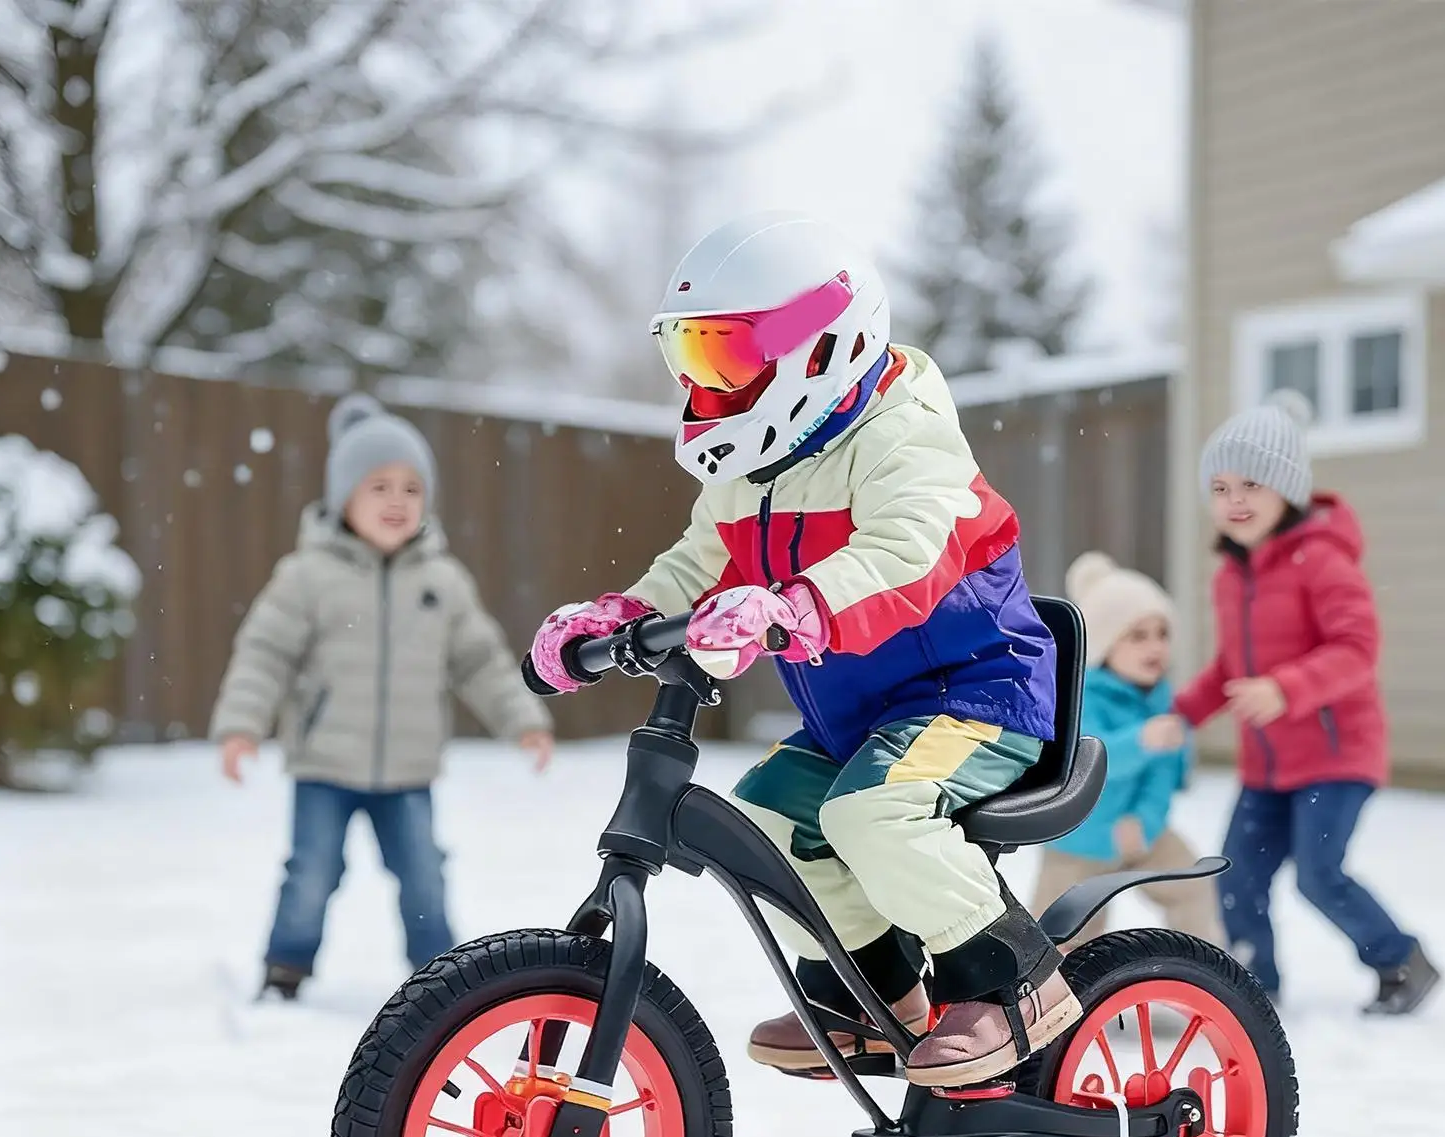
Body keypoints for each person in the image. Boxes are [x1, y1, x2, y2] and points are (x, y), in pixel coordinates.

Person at [531, 211, 1078, 1087]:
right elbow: (698, 563)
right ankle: (875, 994)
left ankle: (1013, 980)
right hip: (858, 720)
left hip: (975, 700)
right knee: (767, 825)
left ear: (820, 347)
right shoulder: (754, 464)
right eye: (688, 356)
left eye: (725, 356)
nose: (703, 384)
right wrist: (620, 615)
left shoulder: (906, 437)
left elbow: (905, 554)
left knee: (871, 813)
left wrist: (796, 605)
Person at [211, 394, 554, 1000]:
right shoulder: (307, 575)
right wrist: (241, 725)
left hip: (408, 770)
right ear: (343, 496)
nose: (397, 501)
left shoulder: (442, 581)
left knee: (424, 875)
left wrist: (522, 720)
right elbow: (265, 653)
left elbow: (481, 661)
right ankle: (286, 966)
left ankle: (441, 976)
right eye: (379, 487)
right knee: (312, 872)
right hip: (324, 765)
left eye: (411, 488)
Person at [1173, 390, 1439, 1015]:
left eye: (1252, 484)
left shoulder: (1322, 561)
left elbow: (1356, 649)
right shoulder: (1231, 576)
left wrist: (1285, 689)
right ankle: (1253, 985)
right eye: (1220, 488)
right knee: (1237, 875)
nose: (1235, 501)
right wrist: (1182, 713)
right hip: (1266, 764)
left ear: (1288, 489)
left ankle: (1402, 960)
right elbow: (1232, 667)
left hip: (1336, 756)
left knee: (1319, 875)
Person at [1033, 553, 1221, 950]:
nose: (1155, 646)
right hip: (1078, 840)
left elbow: (1162, 775)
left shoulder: (1160, 698)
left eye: (1162, 634)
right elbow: (1087, 760)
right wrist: (1142, 741)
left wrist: (1144, 821)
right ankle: (1056, 985)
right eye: (1138, 636)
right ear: (1104, 644)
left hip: (1136, 832)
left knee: (1192, 885)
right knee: (1062, 934)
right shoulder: (1081, 696)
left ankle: (1200, 968)